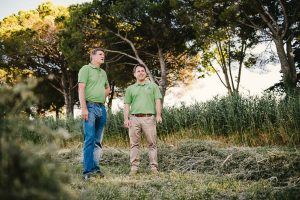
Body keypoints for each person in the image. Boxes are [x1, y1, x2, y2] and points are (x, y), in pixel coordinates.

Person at [123, 64, 162, 176]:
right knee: (134, 144)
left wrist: (158, 115)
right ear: (134, 74)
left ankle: (153, 167)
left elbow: (158, 101)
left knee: (152, 144)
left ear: (145, 73)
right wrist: (126, 119)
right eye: (138, 71)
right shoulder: (130, 89)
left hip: (149, 118)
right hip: (134, 118)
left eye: (142, 71)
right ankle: (134, 168)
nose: (141, 72)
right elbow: (126, 105)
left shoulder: (153, 86)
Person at [78, 48, 110, 180]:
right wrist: (84, 108)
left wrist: (101, 94)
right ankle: (87, 171)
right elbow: (81, 88)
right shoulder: (85, 69)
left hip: (101, 108)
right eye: (100, 54)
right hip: (89, 107)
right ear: (93, 56)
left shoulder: (103, 72)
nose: (103, 56)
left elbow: (108, 88)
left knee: (98, 141)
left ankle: (96, 168)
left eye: (104, 55)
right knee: (89, 139)